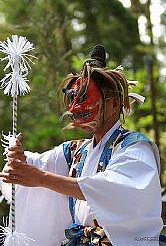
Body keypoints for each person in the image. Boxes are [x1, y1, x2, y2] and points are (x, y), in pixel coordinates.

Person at [0, 45, 163, 246]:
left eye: (84, 97)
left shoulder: (136, 148)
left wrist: (39, 177)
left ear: (114, 103)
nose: (75, 107)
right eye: (72, 97)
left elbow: (112, 190)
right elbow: (41, 165)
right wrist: (20, 160)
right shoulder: (77, 151)